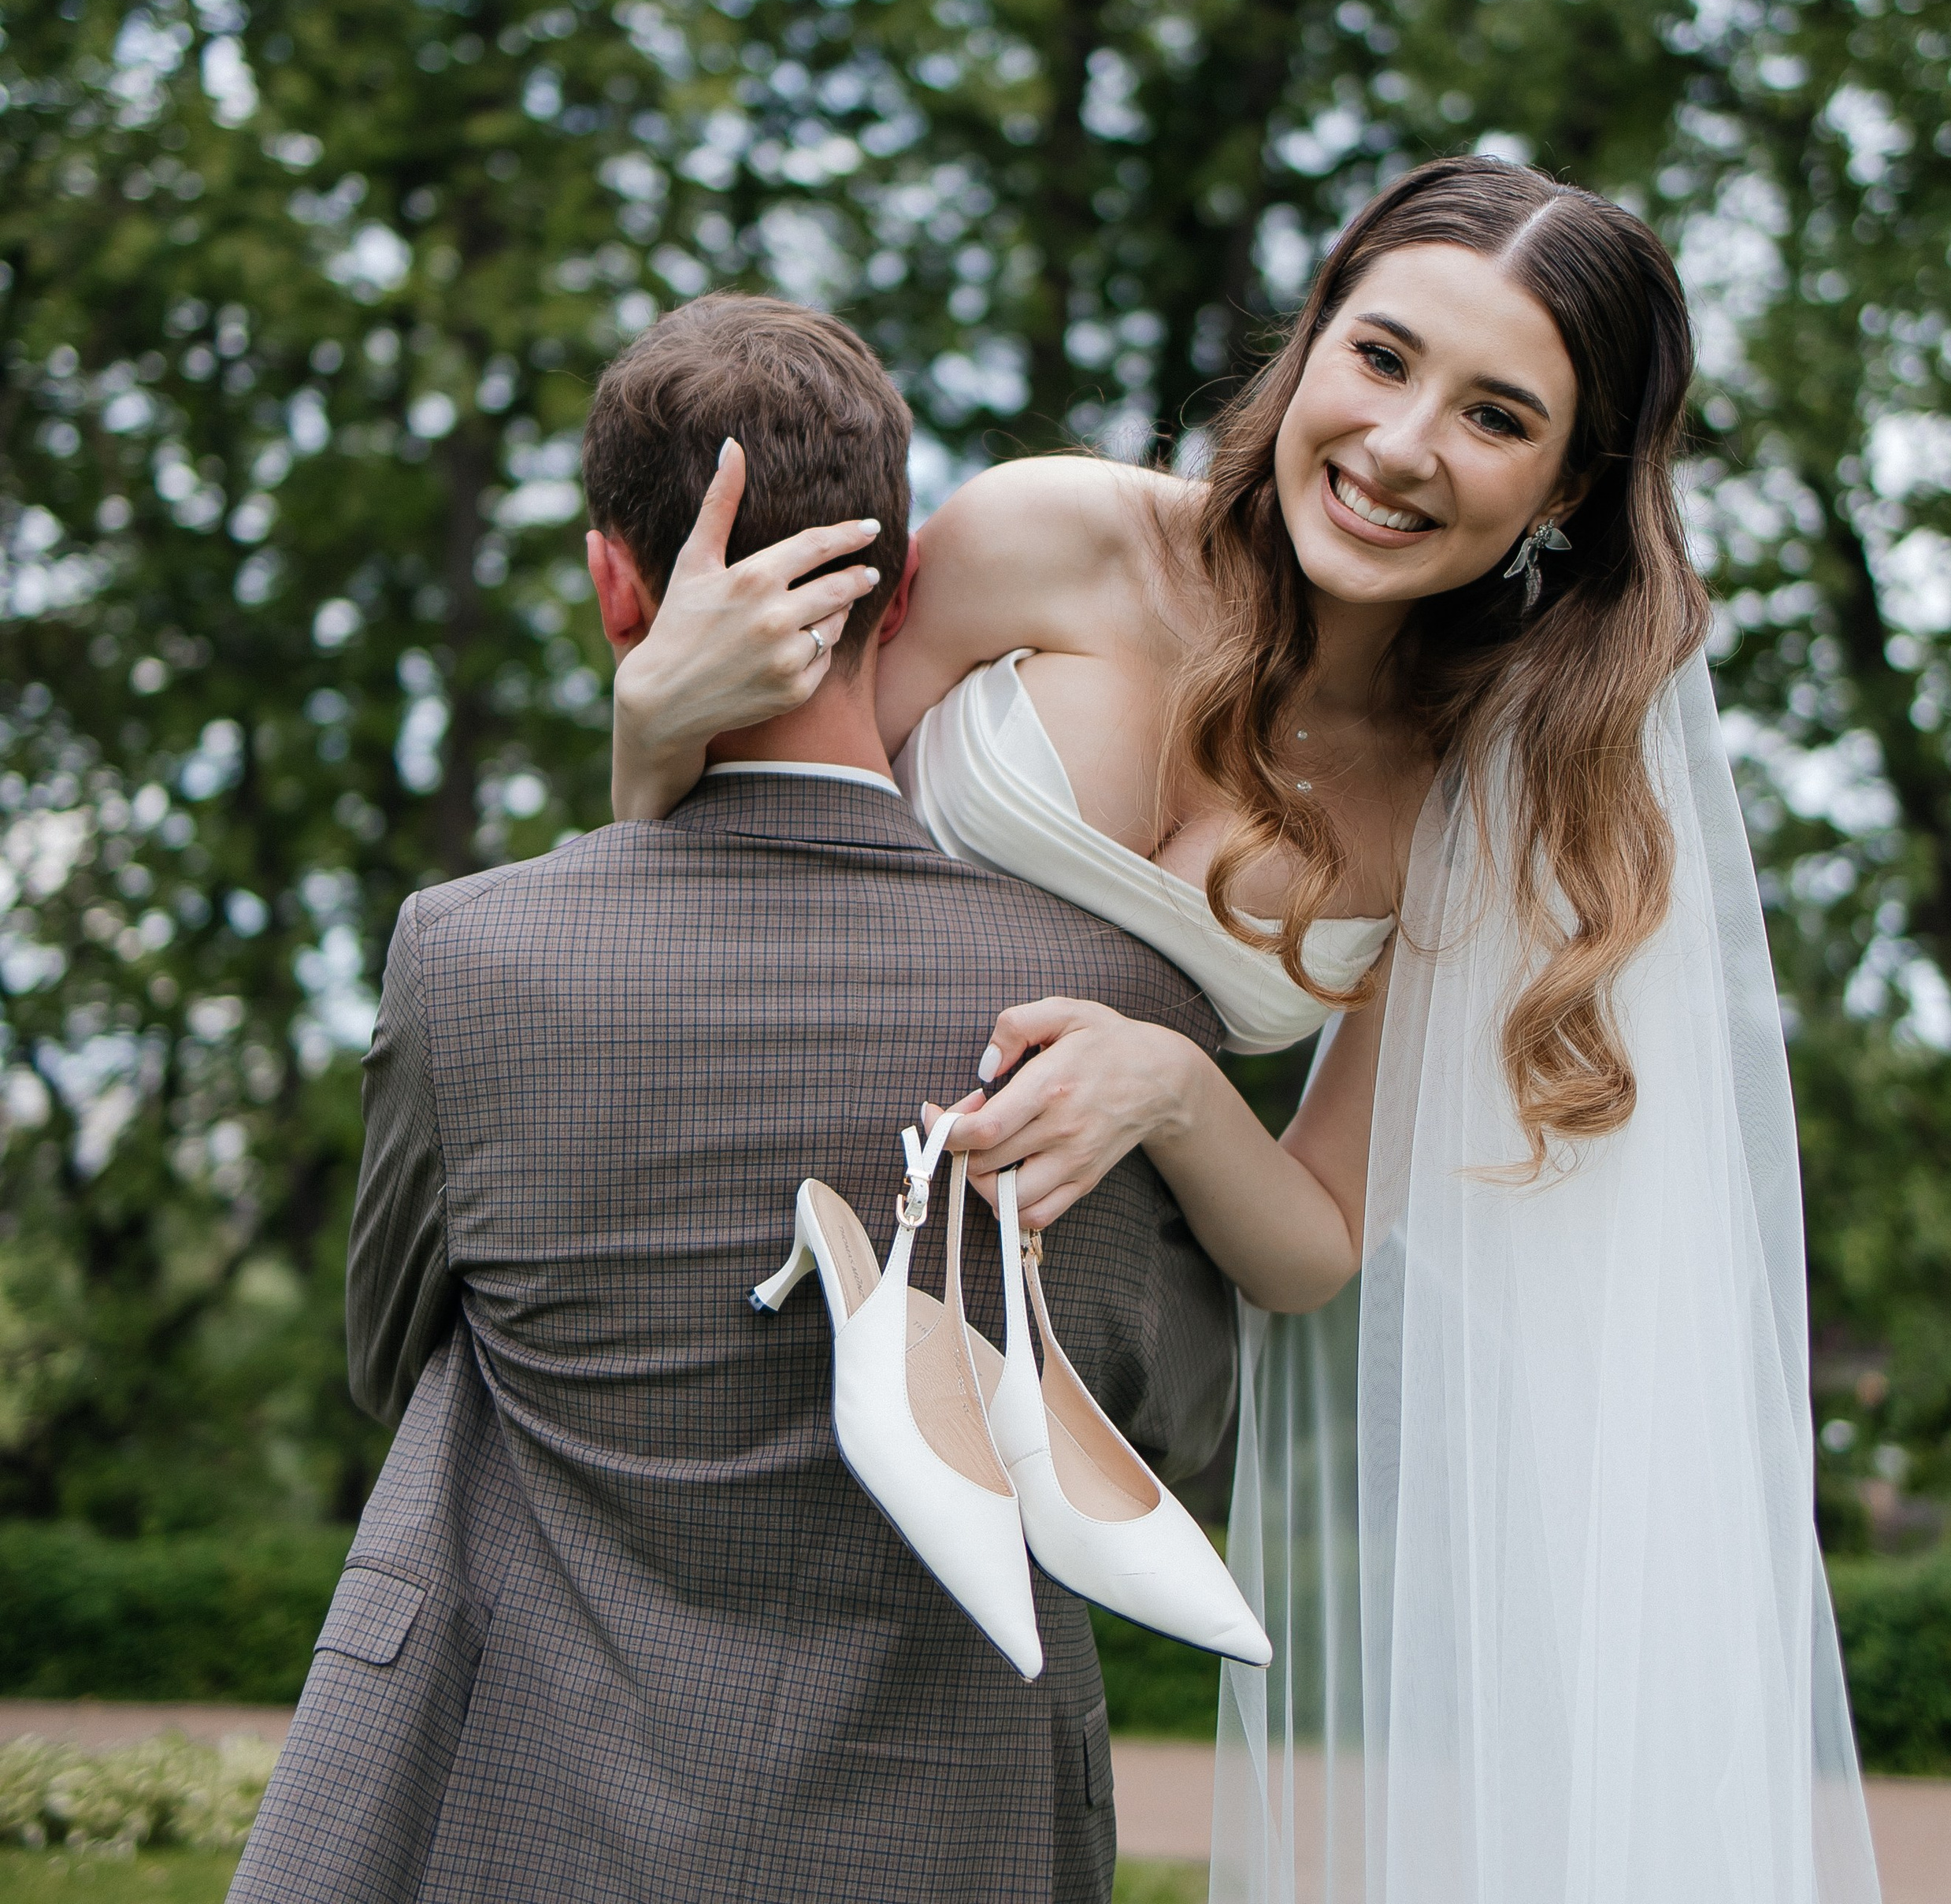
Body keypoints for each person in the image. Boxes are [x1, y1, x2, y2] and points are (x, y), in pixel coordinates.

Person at [609, 158, 1884, 1904]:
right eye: (1379, 357)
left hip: (1032, 1386)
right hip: (724, 1255)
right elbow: (715, 866)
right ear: (1308, 344)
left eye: (1494, 414)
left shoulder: (1469, 793)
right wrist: (640, 735)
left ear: (1565, 492)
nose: (1400, 443)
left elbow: (1311, 1249)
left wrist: (1176, 1084)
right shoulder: (1039, 531)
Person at [228, 297, 1236, 1904]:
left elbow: (385, 1351)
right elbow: (1169, 1431)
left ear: (611, 584)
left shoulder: (470, 957)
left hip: (534, 1822)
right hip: (955, 1838)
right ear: (903, 586)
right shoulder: (1110, 1006)